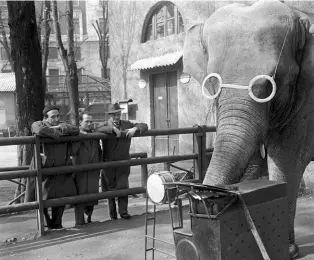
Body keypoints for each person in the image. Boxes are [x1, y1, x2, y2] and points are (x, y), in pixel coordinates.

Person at [31, 106, 79, 229]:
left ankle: (57, 224)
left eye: (58, 116)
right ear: (45, 118)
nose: (57, 119)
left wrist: (64, 128)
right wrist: (55, 132)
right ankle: (47, 224)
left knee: (61, 196)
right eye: (53, 117)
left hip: (61, 167)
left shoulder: (63, 125)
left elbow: (75, 129)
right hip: (45, 168)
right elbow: (38, 129)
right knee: (43, 197)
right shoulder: (39, 124)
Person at [97, 102, 148, 220]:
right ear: (109, 115)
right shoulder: (105, 125)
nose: (116, 117)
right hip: (109, 163)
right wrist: (112, 129)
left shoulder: (127, 124)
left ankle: (123, 212)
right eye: (114, 115)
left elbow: (144, 125)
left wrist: (135, 128)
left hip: (124, 161)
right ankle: (112, 214)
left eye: (118, 114)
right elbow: (97, 128)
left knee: (123, 186)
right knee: (110, 189)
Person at [72, 112, 102, 226]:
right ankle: (79, 221)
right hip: (80, 171)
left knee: (92, 195)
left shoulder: (95, 135)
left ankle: (89, 218)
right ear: (80, 122)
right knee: (80, 197)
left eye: (91, 121)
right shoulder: (75, 134)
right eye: (87, 121)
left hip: (93, 170)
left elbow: (99, 151)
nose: (89, 124)